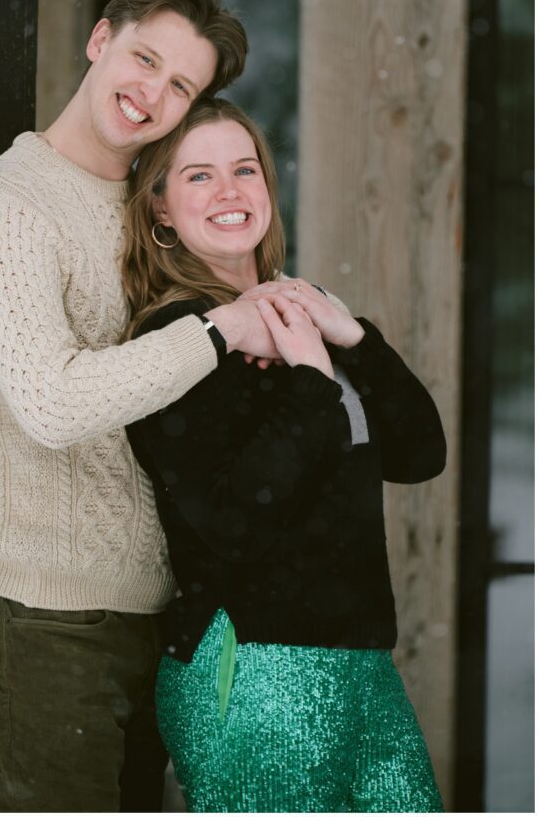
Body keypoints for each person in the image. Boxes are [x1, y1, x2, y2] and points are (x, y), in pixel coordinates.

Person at [0, 0, 282, 813]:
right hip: (43, 615)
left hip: (159, 616)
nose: (151, 94)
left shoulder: (155, 204)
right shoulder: (7, 206)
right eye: (143, 58)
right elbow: (51, 404)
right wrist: (216, 333)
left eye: (181, 86)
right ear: (100, 40)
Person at [123, 96, 447, 813]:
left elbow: (420, 453)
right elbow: (233, 519)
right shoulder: (180, 339)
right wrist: (310, 380)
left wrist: (353, 337)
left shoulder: (301, 318)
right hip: (258, 663)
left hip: (359, 657)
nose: (231, 190)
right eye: (199, 176)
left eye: (244, 169)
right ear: (161, 212)